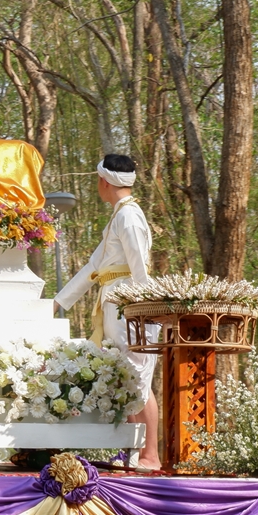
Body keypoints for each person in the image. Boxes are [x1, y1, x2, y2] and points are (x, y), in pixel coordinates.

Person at [54, 153, 160, 470]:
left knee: (139, 379)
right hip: (116, 303)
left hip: (131, 308)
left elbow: (140, 268)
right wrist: (59, 302)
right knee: (124, 378)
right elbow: (94, 266)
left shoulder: (129, 216)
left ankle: (151, 454)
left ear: (104, 181)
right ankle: (132, 450)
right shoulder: (119, 216)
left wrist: (142, 310)